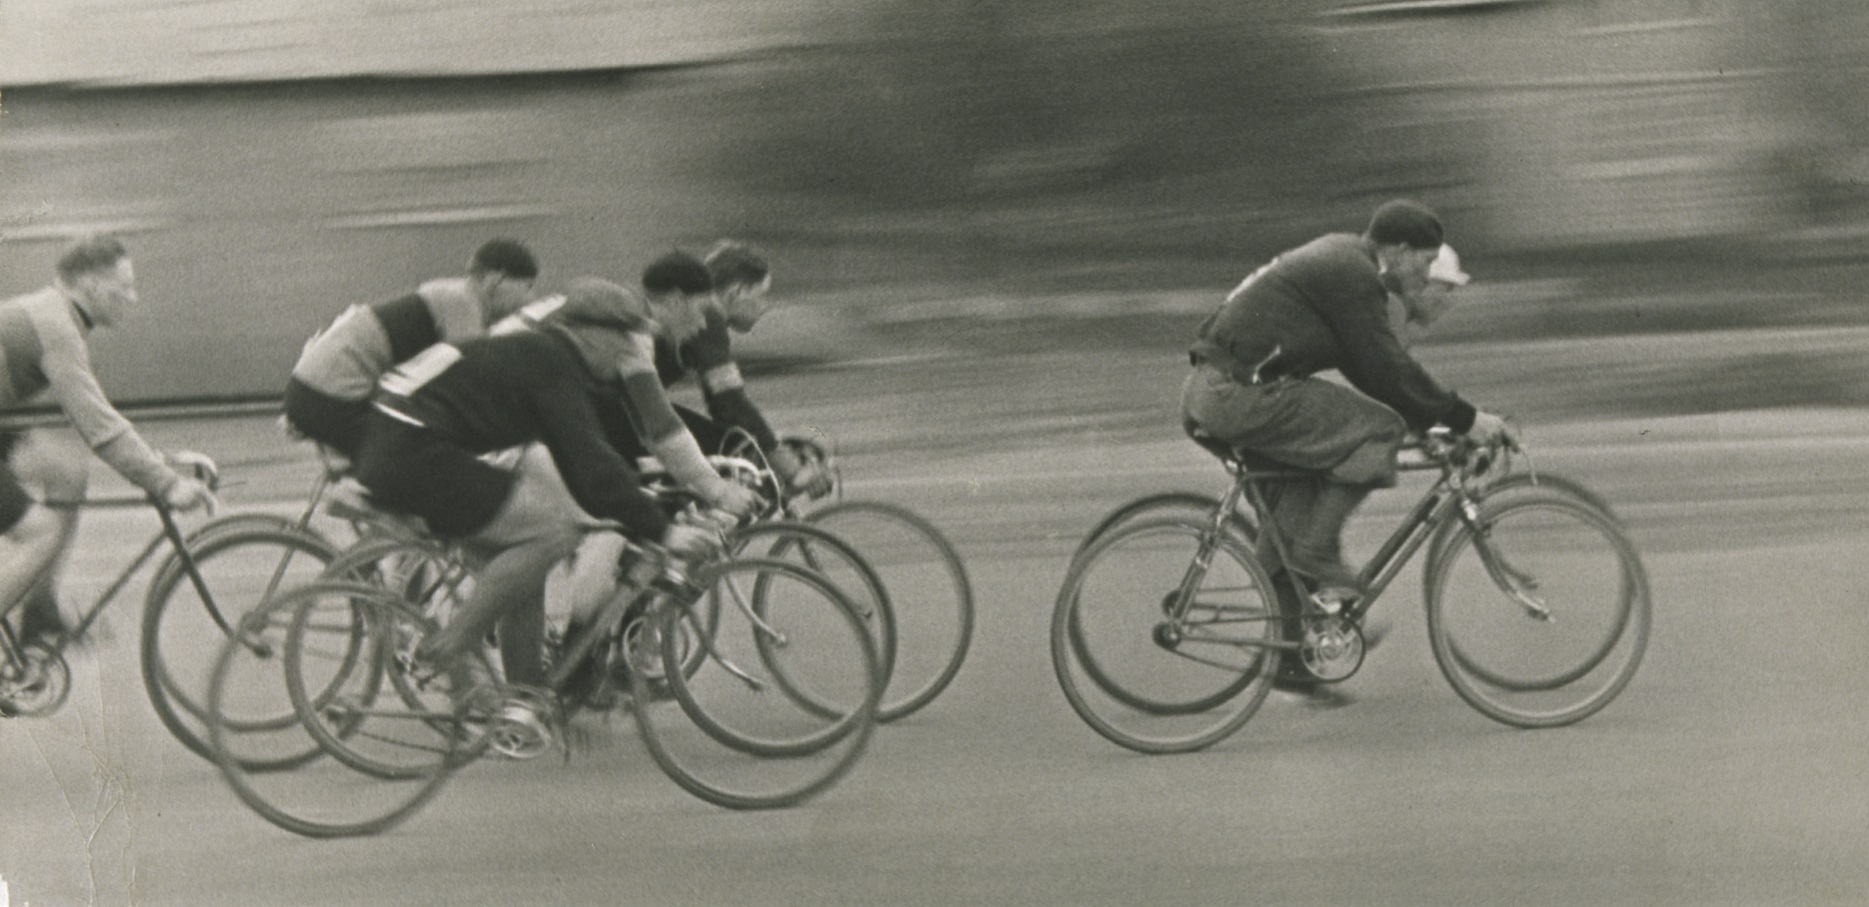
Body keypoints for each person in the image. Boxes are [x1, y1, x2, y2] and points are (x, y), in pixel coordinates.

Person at [353, 273, 746, 712]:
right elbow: (591, 460)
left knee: (523, 567)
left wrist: (631, 514)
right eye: (622, 344)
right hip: (412, 449)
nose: (624, 358)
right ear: (592, 335)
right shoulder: (553, 364)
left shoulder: (547, 358)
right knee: (550, 534)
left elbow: (581, 468)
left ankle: (526, 703)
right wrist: (662, 530)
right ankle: (450, 647)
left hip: (399, 440)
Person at [1182, 199, 1514, 612]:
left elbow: (1362, 365)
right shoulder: (1354, 273)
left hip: (1214, 391)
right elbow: (1384, 365)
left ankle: (1292, 656)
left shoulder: (1343, 257)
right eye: (1426, 262)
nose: (1428, 275)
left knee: (1295, 513)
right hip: (1240, 395)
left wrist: (1430, 421)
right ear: (1400, 250)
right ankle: (1317, 554)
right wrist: (1465, 418)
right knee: (1379, 430)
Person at [0, 235, 216, 645]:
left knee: (66, 471)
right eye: (125, 286)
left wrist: (155, 462)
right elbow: (100, 428)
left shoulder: (55, 316)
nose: (132, 298)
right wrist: (167, 483)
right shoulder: (56, 326)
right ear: (93, 286)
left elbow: (103, 424)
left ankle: (39, 611)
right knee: (41, 533)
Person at [283, 238, 540, 460]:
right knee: (420, 456)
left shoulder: (454, 296)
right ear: (497, 280)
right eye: (527, 287)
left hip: (318, 392)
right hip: (329, 397)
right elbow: (475, 376)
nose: (530, 299)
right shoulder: (462, 302)